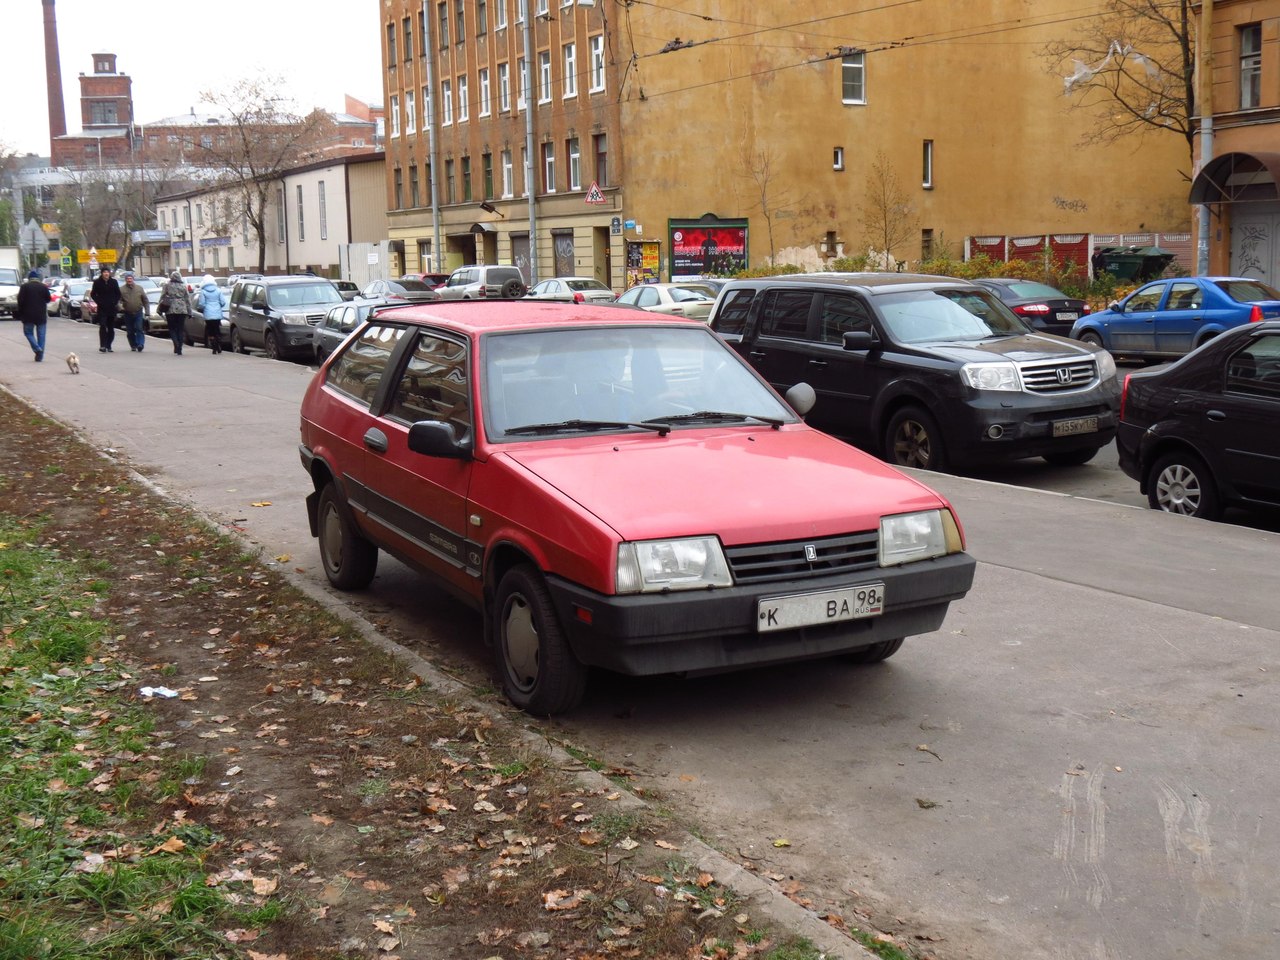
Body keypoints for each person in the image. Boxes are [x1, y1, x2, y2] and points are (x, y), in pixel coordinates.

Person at [15, 270, 52, 362]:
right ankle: (40, 356)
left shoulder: (24, 287)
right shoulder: (43, 287)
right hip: (41, 316)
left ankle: (37, 349)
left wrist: (19, 314)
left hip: (28, 315)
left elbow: (20, 301)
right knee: (41, 335)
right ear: (38, 278)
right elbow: (48, 299)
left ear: (29, 278)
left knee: (28, 333)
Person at [90, 267, 122, 353]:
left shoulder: (114, 282)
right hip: (102, 309)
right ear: (102, 273)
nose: (106, 274)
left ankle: (109, 345)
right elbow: (93, 294)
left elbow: (118, 294)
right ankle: (103, 345)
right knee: (103, 326)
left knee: (111, 328)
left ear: (109, 273)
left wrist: (114, 302)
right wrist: (99, 301)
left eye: (107, 272)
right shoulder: (97, 282)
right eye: (104, 272)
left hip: (112, 308)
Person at [159, 271, 191, 355]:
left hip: (170, 309)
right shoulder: (183, 286)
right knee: (180, 329)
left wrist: (159, 309)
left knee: (172, 328)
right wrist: (189, 311)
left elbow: (162, 297)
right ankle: (179, 347)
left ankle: (176, 343)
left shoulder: (167, 285)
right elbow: (187, 299)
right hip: (182, 309)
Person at [118, 271, 150, 352]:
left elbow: (145, 301)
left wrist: (147, 312)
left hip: (138, 312)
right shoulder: (121, 289)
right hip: (127, 313)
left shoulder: (139, 288)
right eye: (128, 279)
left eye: (130, 278)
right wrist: (120, 308)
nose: (129, 280)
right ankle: (133, 345)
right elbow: (118, 301)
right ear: (125, 280)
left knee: (139, 328)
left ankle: (140, 344)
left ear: (133, 279)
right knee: (130, 331)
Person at [195, 274, 228, 354]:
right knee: (217, 329)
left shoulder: (203, 292)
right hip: (217, 314)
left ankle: (214, 346)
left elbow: (202, 304)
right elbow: (223, 302)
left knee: (210, 331)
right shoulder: (218, 290)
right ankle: (218, 344)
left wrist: (202, 308)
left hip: (208, 315)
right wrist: (218, 306)